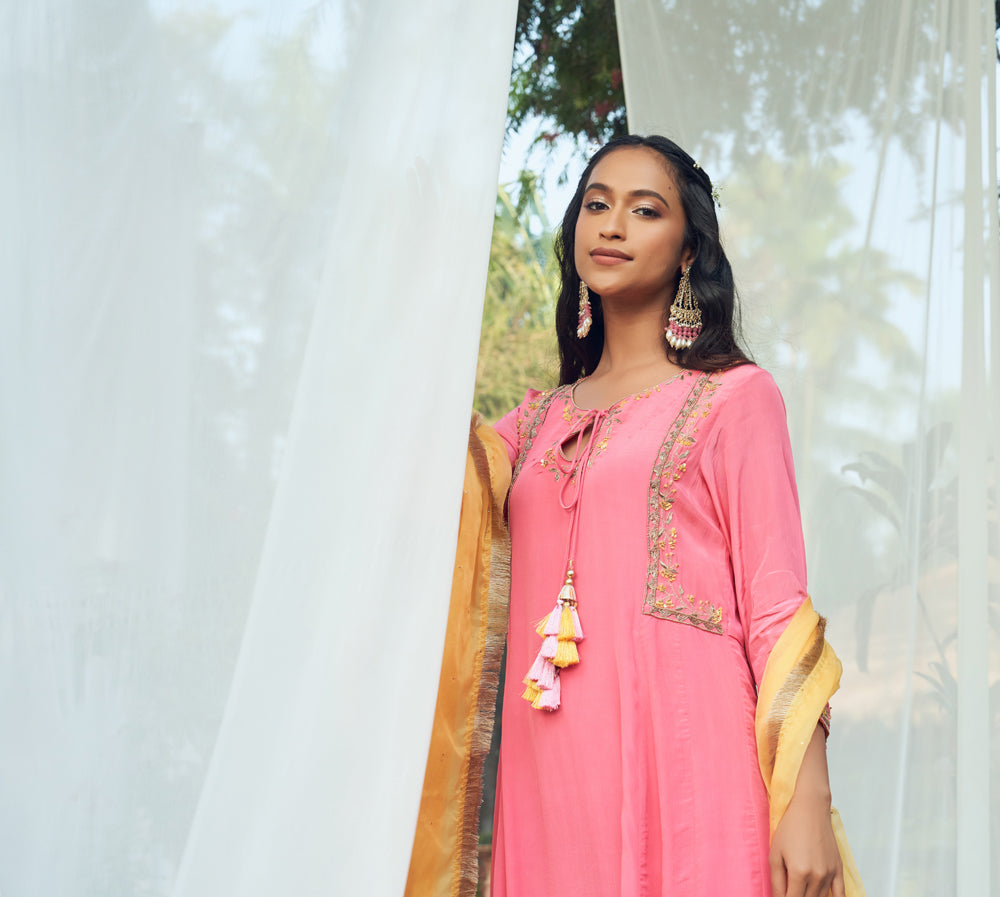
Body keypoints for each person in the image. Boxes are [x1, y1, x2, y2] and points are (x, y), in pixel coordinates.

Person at [488, 135, 859, 897]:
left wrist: (807, 796)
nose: (612, 224)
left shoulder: (735, 397)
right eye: (596, 204)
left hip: (689, 758)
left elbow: (776, 608)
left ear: (689, 251)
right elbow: (420, 495)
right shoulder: (528, 425)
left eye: (644, 210)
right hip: (547, 771)